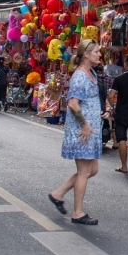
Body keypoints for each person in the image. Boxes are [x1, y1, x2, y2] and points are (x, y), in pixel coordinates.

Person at [48, 41, 103, 225]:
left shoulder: (91, 72)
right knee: (84, 172)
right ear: (86, 54)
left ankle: (58, 194)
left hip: (89, 130)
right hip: (82, 131)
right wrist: (85, 125)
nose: (99, 54)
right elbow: (73, 103)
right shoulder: (80, 76)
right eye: (96, 51)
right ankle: (77, 213)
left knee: (91, 170)